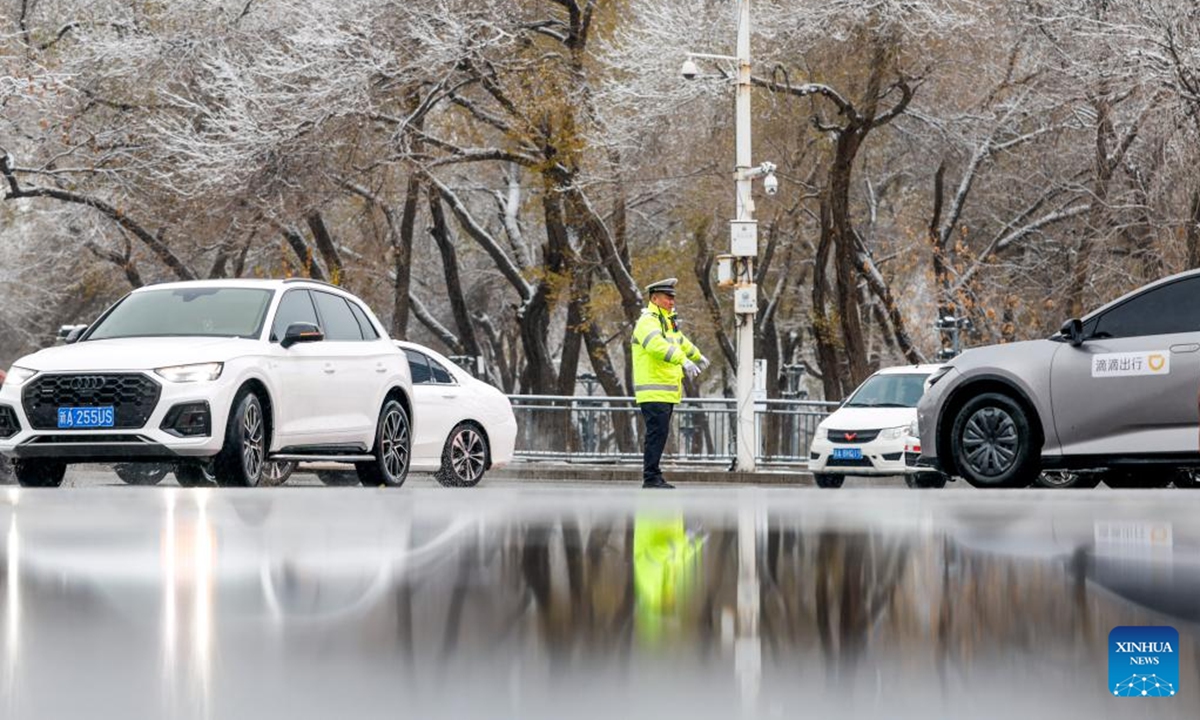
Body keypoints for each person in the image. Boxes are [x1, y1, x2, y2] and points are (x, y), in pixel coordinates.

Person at [630, 278, 708, 489]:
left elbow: (680, 341)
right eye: (667, 297)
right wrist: (683, 360)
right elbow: (657, 346)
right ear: (654, 298)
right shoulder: (648, 321)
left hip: (665, 390)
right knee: (656, 434)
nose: (672, 301)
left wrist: (697, 355)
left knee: (660, 434)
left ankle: (654, 475)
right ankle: (651, 477)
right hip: (653, 389)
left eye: (673, 297)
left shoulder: (667, 321)